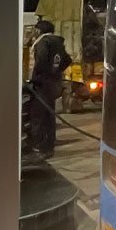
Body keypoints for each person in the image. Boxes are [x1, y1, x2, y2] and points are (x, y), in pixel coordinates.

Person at [29, 20, 71, 159]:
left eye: (35, 30)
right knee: (49, 115)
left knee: (38, 116)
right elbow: (67, 60)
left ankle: (41, 147)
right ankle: (49, 146)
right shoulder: (58, 42)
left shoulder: (43, 42)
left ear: (39, 30)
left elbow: (41, 61)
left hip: (41, 85)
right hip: (53, 84)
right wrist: (55, 71)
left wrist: (36, 78)